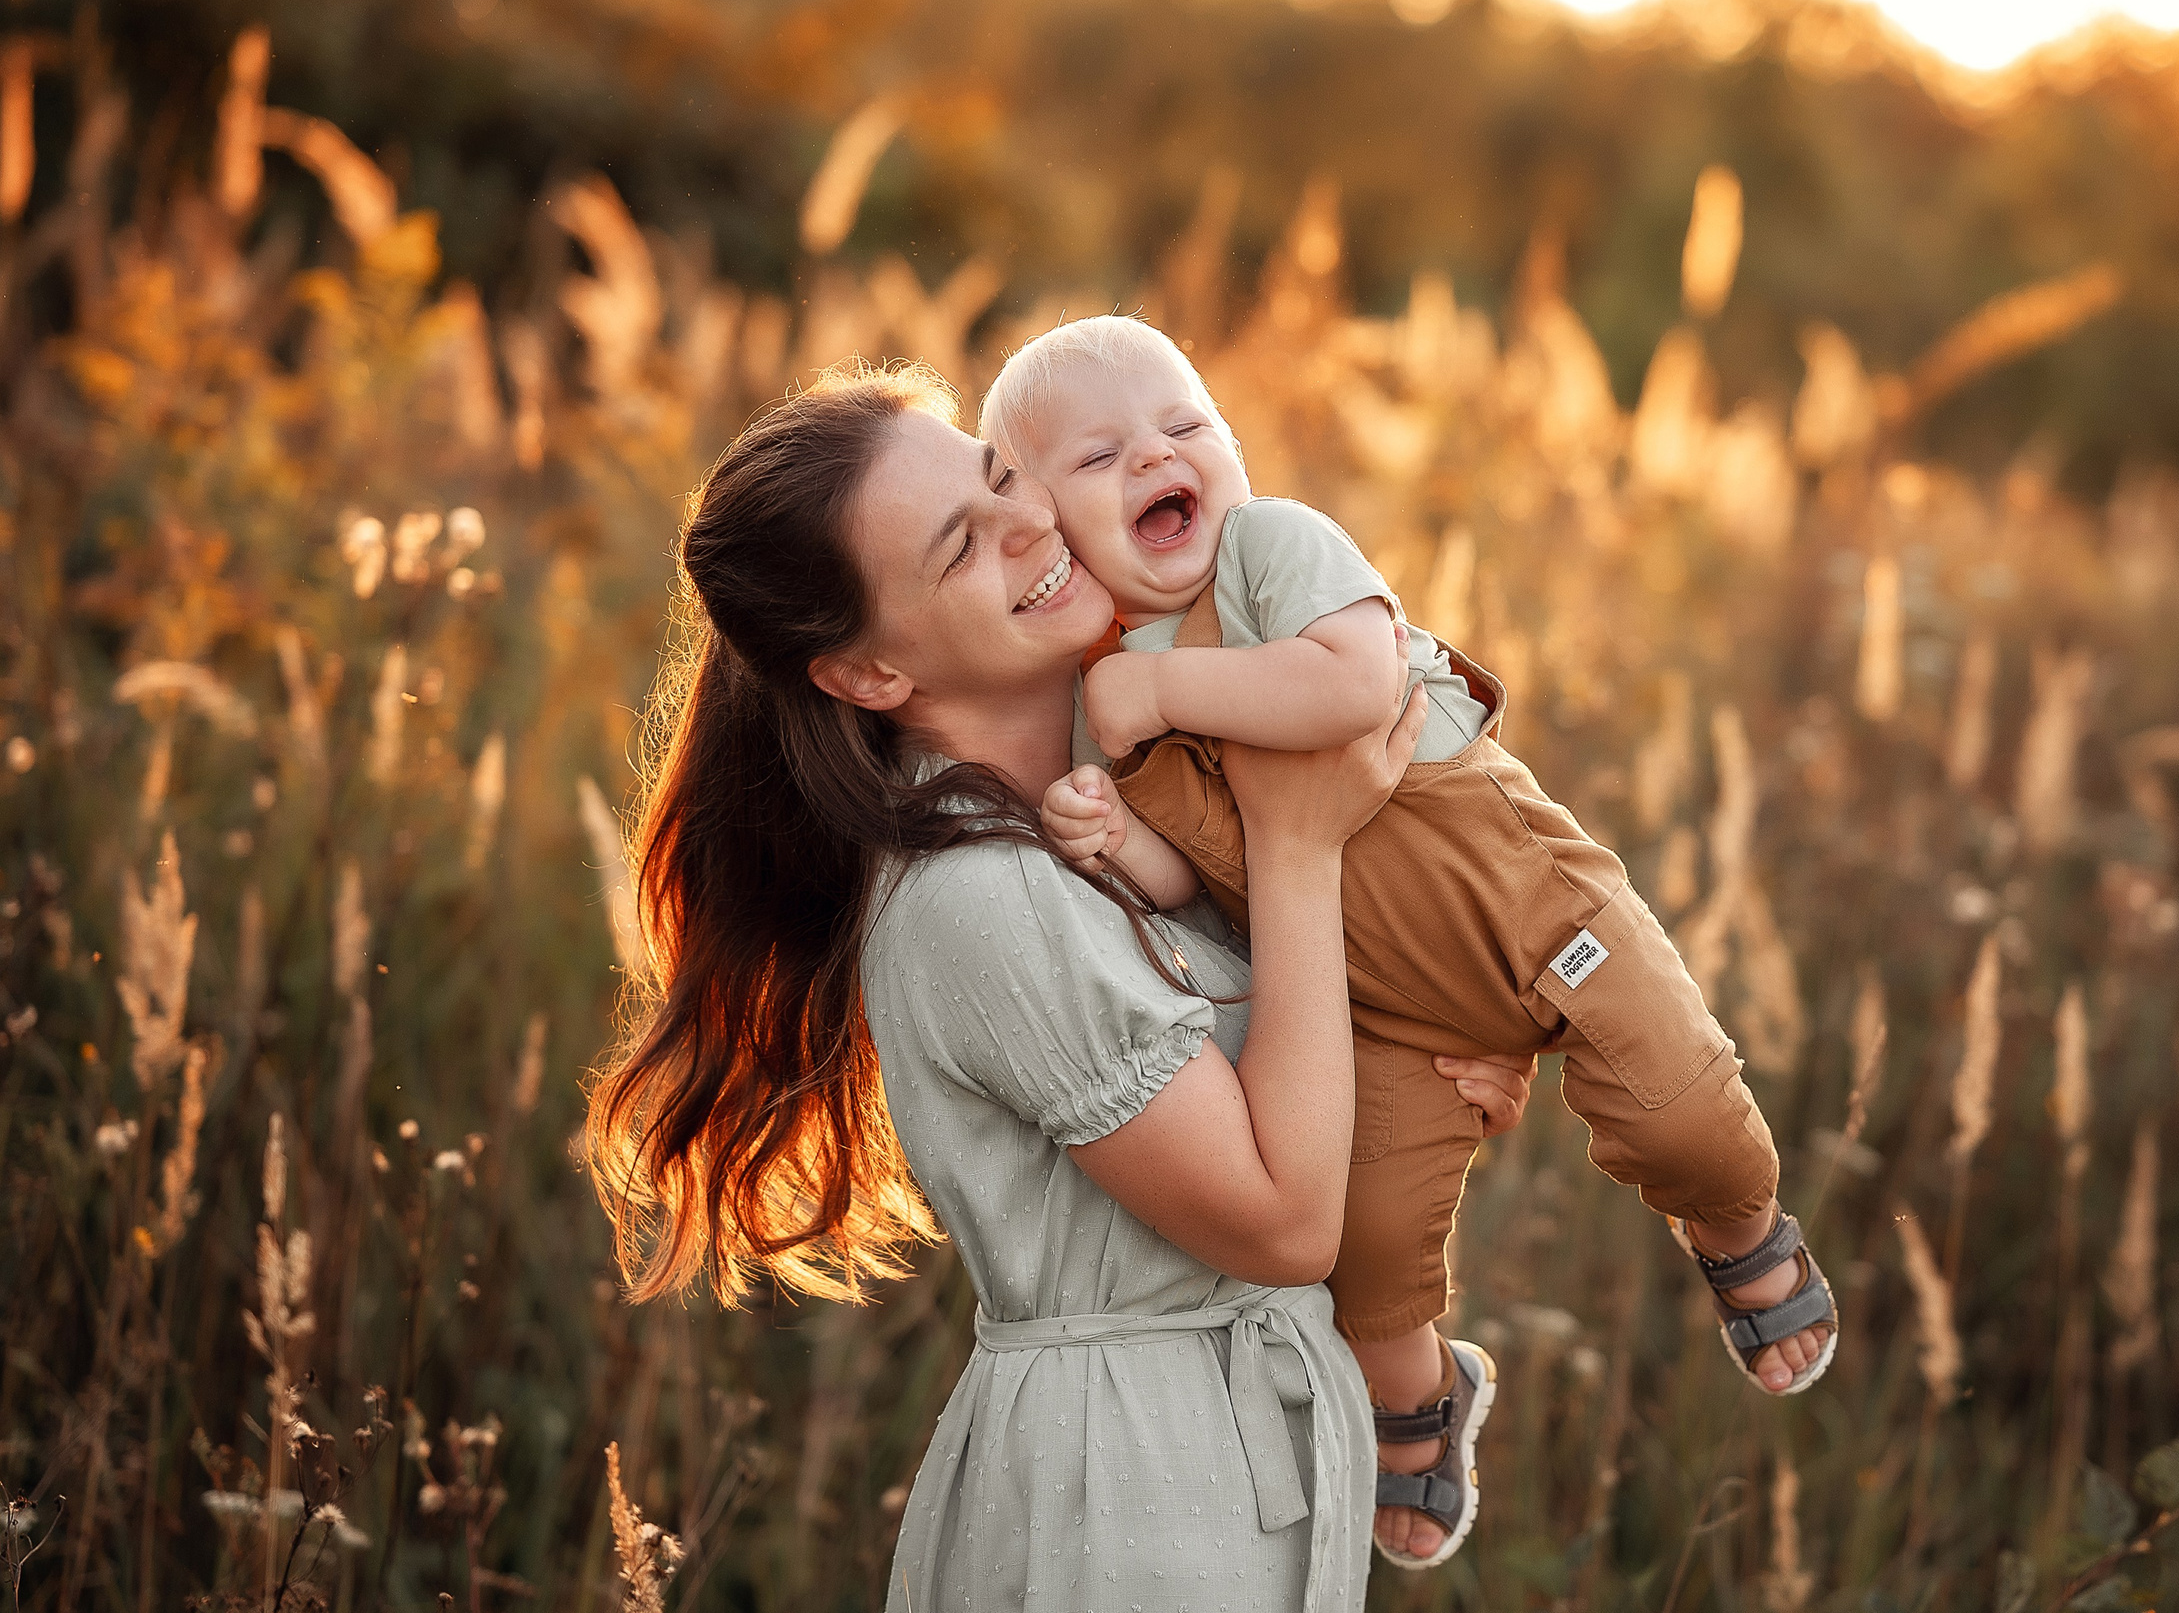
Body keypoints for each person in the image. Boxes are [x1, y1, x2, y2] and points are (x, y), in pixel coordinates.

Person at [584, 364, 1536, 1613]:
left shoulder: (1134, 777)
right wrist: (1295, 849)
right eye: (960, 549)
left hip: (1235, 1455)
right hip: (1130, 1504)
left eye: (998, 479)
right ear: (868, 672)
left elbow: (1309, 1058)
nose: (1028, 525)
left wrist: (1449, 1056)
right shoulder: (981, 900)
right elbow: (1283, 1219)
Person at [981, 317, 1840, 1568]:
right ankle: (1417, 1402)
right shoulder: (1098, 690)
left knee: (1680, 1115)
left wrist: (1165, 697)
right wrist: (1109, 832)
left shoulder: (1269, 551)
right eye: (1101, 455)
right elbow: (1202, 882)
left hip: (1527, 903)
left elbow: (1350, 690)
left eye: (1185, 426)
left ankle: (1738, 1227)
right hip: (1383, 1008)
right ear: (1054, 529)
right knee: (1360, 1247)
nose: (1157, 458)